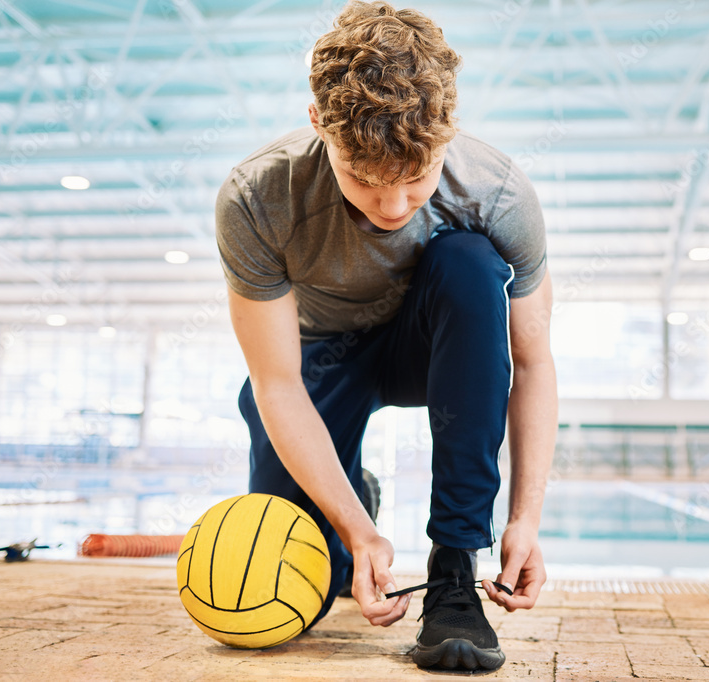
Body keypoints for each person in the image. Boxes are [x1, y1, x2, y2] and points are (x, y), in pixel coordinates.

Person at [215, 0, 556, 671]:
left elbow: (532, 362)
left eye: (415, 180)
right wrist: (353, 526)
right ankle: (353, 498)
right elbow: (277, 382)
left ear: (448, 135)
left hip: (429, 348)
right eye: (365, 182)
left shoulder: (498, 192)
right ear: (318, 126)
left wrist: (524, 520)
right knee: (296, 591)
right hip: (320, 363)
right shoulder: (257, 198)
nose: (393, 208)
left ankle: (455, 567)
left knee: (470, 263)